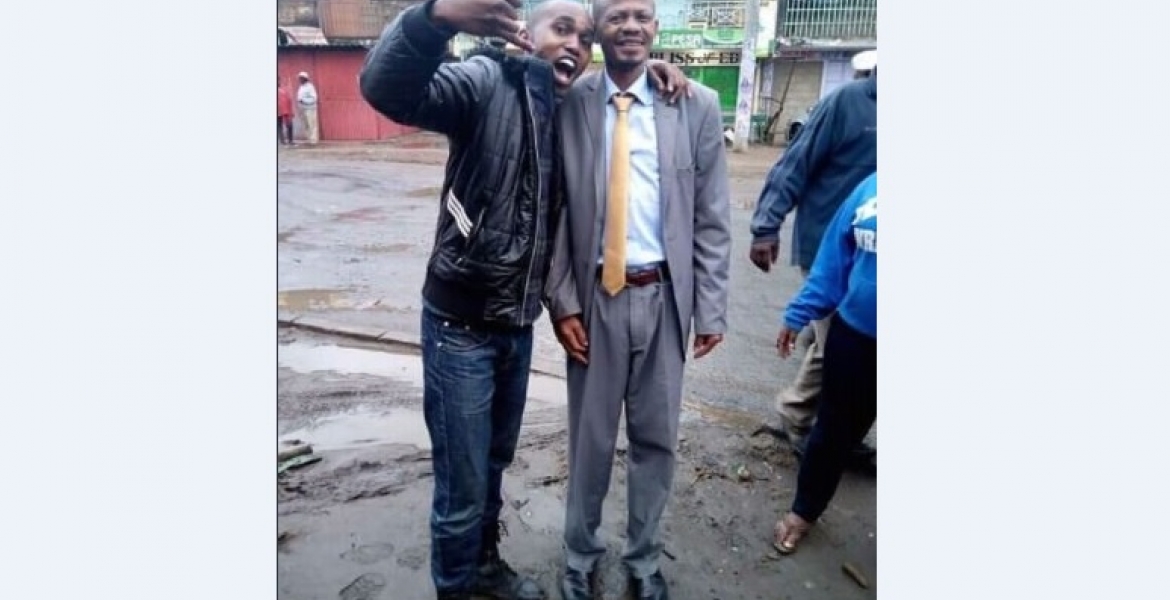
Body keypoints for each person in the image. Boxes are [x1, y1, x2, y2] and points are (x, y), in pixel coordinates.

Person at [358, 1, 688, 599]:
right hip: (459, 324)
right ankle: (457, 587)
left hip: (516, 324)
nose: (576, 45)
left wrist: (659, 67)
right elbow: (387, 88)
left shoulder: (571, 109)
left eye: (585, 37)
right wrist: (436, 16)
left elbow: (619, 90)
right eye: (562, 30)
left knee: (490, 467)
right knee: (461, 487)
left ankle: (484, 570)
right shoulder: (488, 81)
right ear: (524, 37)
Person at [544, 0, 731, 597]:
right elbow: (554, 210)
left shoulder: (693, 104)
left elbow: (712, 216)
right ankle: (579, 554)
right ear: (598, 27)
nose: (631, 26)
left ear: (656, 27)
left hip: (666, 300)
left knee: (657, 441)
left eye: (642, 15)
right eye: (618, 14)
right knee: (590, 442)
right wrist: (563, 301)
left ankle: (644, 559)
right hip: (595, 301)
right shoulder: (570, 103)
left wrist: (711, 307)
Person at [747, 50, 876, 462]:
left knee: (836, 337)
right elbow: (796, 162)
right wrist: (766, 225)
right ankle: (799, 417)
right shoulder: (848, 102)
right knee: (840, 341)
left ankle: (837, 421)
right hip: (832, 247)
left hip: (876, 254)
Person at [771, 171, 876, 556]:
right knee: (832, 432)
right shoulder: (869, 189)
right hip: (857, 338)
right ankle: (804, 512)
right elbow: (834, 261)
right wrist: (799, 313)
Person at [296, 71, 319, 144]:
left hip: (310, 108)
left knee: (311, 124)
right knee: (306, 124)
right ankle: (309, 139)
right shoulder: (301, 87)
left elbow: (314, 98)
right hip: (303, 108)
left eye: (301, 78)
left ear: (305, 79)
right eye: (299, 78)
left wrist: (304, 100)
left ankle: (313, 141)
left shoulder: (310, 87)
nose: (299, 80)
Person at [278, 76, 294, 146]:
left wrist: (291, 111)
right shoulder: (282, 90)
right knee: (279, 126)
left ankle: (290, 141)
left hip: (286, 111)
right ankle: (282, 141)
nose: (278, 82)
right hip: (279, 112)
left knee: (289, 125)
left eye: (278, 80)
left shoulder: (283, 90)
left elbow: (289, 100)